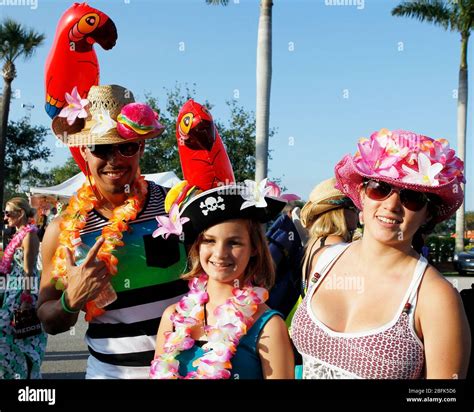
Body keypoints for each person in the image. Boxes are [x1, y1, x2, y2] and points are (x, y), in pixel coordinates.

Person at [291, 129, 471, 379]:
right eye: (380, 187)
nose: (391, 204)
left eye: (412, 197)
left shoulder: (435, 297)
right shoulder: (323, 261)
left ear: (427, 214)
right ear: (362, 194)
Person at [37, 85, 189, 379]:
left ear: (141, 147)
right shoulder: (62, 231)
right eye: (101, 147)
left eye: (126, 146)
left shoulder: (176, 206)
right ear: (84, 150)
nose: (114, 159)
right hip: (110, 375)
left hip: (185, 370)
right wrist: (72, 299)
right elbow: (48, 320)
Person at [150, 182, 295, 379]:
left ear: (254, 248)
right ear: (198, 246)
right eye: (209, 240)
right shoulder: (172, 317)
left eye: (234, 243)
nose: (220, 254)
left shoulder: (269, 326)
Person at [0, 197, 47, 379]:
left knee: (19, 333)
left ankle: (25, 373)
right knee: (12, 334)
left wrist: (26, 300)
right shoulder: (18, 234)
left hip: (24, 290)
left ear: (20, 213)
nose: (5, 218)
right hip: (13, 288)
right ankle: (15, 373)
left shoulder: (29, 236)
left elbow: (29, 271)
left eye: (8, 213)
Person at [299, 177, 359, 295]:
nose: (357, 212)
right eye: (353, 207)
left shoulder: (317, 241)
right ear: (341, 213)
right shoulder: (336, 247)